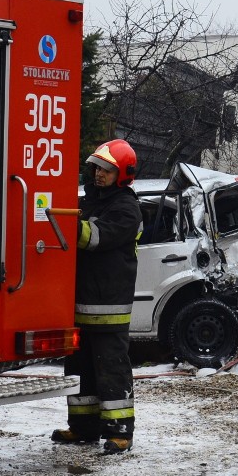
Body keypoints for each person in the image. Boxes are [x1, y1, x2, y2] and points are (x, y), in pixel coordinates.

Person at [52, 139, 142, 455]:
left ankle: (120, 432)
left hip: (108, 307)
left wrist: (61, 221)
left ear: (122, 174)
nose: (99, 173)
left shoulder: (126, 208)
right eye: (97, 167)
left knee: (112, 370)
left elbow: (94, 237)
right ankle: (83, 428)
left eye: (106, 169)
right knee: (80, 370)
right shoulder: (91, 201)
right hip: (80, 305)